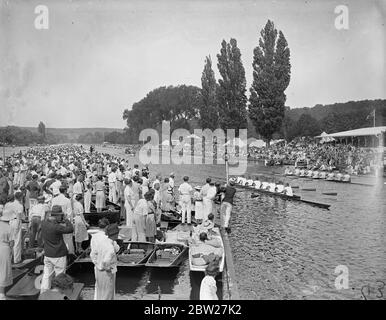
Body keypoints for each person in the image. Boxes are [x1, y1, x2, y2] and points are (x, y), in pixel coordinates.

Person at [40, 205, 74, 293]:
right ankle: (58, 294)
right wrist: (66, 219)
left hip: (48, 253)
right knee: (60, 276)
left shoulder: (43, 223)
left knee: (47, 275)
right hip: (58, 254)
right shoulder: (56, 227)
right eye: (61, 215)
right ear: (57, 215)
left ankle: (43, 293)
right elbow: (70, 229)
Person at [90, 218, 119, 300]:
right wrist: (107, 268)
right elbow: (106, 261)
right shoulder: (110, 247)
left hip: (98, 269)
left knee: (99, 292)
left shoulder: (100, 241)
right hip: (107, 272)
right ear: (116, 234)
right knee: (107, 294)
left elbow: (92, 254)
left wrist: (97, 264)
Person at [51, 186, 74, 255]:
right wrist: (70, 222)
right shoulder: (67, 200)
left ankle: (59, 252)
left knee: (57, 238)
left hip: (55, 222)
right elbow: (69, 213)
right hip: (64, 221)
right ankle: (70, 253)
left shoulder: (54, 199)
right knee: (68, 239)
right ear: (65, 191)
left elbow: (52, 210)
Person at [0, 205, 15, 300]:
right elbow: (12, 243)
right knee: (3, 271)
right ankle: (1, 293)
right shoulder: (9, 227)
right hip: (4, 249)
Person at [5, 191, 24, 264]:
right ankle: (17, 259)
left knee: (10, 241)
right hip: (16, 222)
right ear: (20, 197)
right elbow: (19, 216)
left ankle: (9, 258)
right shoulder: (19, 205)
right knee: (17, 241)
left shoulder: (11, 204)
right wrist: (18, 225)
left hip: (9, 222)